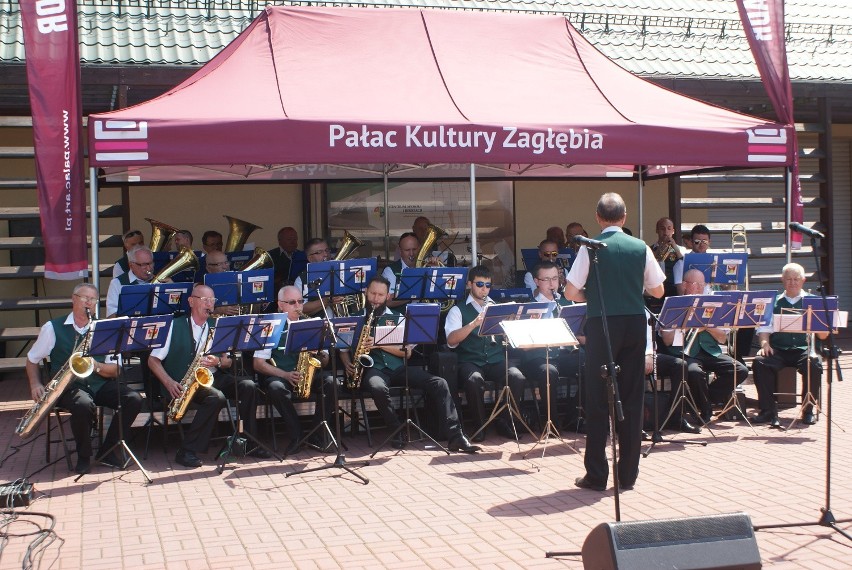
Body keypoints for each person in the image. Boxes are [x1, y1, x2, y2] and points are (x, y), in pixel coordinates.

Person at [563, 192, 665, 492]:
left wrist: (592, 295)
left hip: (602, 323)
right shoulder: (640, 247)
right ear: (624, 218)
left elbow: (570, 293)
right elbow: (658, 291)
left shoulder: (590, 248)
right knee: (632, 398)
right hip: (634, 323)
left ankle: (596, 474)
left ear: (598, 218)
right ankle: (628, 475)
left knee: (597, 399)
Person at [340, 275, 479, 453]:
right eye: (372, 294)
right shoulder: (354, 318)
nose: (375, 299)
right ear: (366, 292)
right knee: (377, 387)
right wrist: (346, 364)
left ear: (388, 296)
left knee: (440, 383)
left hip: (398, 368)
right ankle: (396, 429)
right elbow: (342, 349)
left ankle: (456, 436)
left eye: (380, 295)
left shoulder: (399, 318)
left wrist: (378, 343)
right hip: (373, 369)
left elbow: (407, 352)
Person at [26, 283, 143, 474]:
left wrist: (94, 365)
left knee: (133, 399)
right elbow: (31, 360)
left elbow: (116, 370)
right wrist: (35, 384)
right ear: (74, 299)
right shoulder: (52, 328)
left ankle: (108, 450)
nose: (89, 303)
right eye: (84, 298)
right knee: (82, 404)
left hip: (99, 383)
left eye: (93, 299)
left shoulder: (105, 329)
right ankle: (84, 455)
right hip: (68, 387)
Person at [148, 284, 270, 468]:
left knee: (248, 386)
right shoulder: (174, 325)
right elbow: (153, 361)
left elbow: (227, 362)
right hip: (183, 382)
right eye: (205, 300)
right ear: (191, 301)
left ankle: (249, 442)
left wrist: (218, 362)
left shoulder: (216, 325)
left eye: (212, 301)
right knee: (216, 398)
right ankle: (187, 450)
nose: (209, 305)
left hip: (211, 376)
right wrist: (169, 382)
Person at [445, 265, 527, 441]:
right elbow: (451, 340)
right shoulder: (457, 310)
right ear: (469, 284)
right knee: (474, 379)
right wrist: (473, 324)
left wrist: (511, 324)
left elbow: (509, 339)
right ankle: (479, 424)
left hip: (495, 358)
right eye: (480, 284)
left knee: (517, 377)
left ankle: (505, 422)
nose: (484, 289)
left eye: (488, 285)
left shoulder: (495, 306)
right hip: (470, 360)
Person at [253, 286, 336, 454]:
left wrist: (319, 354)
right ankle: (296, 436)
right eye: (292, 302)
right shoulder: (271, 326)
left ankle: (317, 434)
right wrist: (285, 374)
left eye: (300, 301)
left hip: (308, 375)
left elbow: (325, 361)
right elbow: (258, 363)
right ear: (280, 305)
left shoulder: (314, 324)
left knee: (330, 382)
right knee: (275, 387)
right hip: (282, 375)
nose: (298, 306)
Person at [751, 263, 829, 426]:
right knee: (760, 363)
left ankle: (808, 410)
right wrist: (765, 344)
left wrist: (823, 325)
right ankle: (767, 410)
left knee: (814, 364)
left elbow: (823, 335)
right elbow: (764, 329)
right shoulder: (774, 302)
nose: (792, 282)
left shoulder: (813, 302)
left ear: (803, 280)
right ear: (782, 280)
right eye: (789, 279)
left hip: (803, 350)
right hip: (779, 350)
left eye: (796, 279)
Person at [521, 262, 584, 428]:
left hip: (563, 354)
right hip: (538, 357)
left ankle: (573, 416)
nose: (552, 284)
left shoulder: (566, 303)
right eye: (546, 279)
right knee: (549, 371)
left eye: (555, 279)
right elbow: (523, 344)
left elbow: (578, 333)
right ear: (536, 281)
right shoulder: (529, 306)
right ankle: (552, 422)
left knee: (589, 362)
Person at [678, 269, 749, 408]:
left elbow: (722, 339)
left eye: (701, 284)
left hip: (710, 352)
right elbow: (668, 338)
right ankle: (704, 407)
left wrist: (706, 326)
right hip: (688, 353)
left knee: (740, 370)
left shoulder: (711, 306)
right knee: (694, 372)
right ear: (684, 284)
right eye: (695, 284)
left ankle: (706, 402)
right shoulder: (676, 304)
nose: (699, 288)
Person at [106, 245, 154, 317]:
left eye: (150, 263)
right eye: (143, 265)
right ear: (131, 265)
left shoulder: (158, 280)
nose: (149, 268)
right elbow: (111, 314)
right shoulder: (117, 283)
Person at [295, 238, 332, 317]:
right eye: (319, 252)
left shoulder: (340, 272)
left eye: (327, 250)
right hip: (319, 325)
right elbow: (301, 308)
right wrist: (327, 301)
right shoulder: (301, 280)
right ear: (310, 258)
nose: (325, 254)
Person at [382, 232, 420, 307]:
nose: (411, 254)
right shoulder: (390, 270)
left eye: (414, 249)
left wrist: (437, 269)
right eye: (407, 250)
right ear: (400, 251)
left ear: (419, 248)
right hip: (402, 317)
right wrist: (415, 292)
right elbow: (388, 301)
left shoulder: (427, 267)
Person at [268, 227, 307, 291]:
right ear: (280, 241)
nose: (293, 242)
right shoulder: (270, 255)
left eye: (295, 239)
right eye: (289, 239)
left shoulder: (303, 256)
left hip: (298, 291)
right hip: (276, 294)